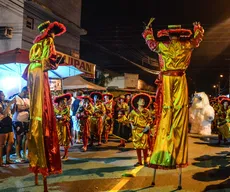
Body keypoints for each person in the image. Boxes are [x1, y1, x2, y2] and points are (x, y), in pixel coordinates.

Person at [142, 18, 204, 189]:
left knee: (166, 113)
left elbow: (151, 44)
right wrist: (198, 29)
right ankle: (175, 153)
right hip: (180, 79)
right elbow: (197, 40)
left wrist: (148, 30)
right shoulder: (186, 46)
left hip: (168, 80)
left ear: (168, 35)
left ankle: (165, 149)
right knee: (178, 115)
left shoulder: (164, 46)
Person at [22, 20, 66, 191]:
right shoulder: (48, 42)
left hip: (33, 73)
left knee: (36, 111)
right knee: (43, 109)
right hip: (40, 72)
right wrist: (57, 62)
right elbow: (50, 60)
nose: (54, 35)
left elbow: (29, 68)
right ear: (49, 32)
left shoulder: (33, 46)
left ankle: (36, 171)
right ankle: (45, 167)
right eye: (53, 32)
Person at [129, 93, 152, 167]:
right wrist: (132, 126)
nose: (142, 102)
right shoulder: (133, 112)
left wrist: (148, 126)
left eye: (143, 101)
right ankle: (139, 161)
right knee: (138, 147)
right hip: (136, 130)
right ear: (137, 102)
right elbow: (130, 120)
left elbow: (149, 120)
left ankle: (145, 161)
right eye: (141, 100)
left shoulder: (147, 111)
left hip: (144, 130)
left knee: (145, 146)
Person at [12, 86, 30, 162]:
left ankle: (24, 154)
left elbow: (30, 107)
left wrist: (24, 107)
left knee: (26, 138)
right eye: (27, 93)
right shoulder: (16, 98)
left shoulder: (27, 99)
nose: (27, 94)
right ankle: (18, 156)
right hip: (18, 121)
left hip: (26, 121)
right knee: (18, 139)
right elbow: (18, 109)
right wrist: (26, 107)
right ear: (24, 91)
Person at [54, 93, 72, 160]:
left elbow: (68, 117)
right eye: (63, 101)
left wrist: (65, 118)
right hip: (57, 126)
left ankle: (66, 154)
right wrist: (56, 118)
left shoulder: (67, 108)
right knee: (57, 140)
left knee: (65, 140)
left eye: (65, 100)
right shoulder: (55, 108)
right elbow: (53, 116)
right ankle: (57, 154)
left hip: (64, 126)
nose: (64, 102)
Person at [0, 91, 16, 166]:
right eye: (2, 95)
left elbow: (12, 112)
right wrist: (9, 104)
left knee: (11, 142)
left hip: (9, 123)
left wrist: (15, 104)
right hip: (3, 124)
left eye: (4, 95)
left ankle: (7, 159)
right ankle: (0, 161)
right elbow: (3, 113)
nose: (3, 96)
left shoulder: (6, 103)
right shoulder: (1, 104)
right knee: (2, 144)